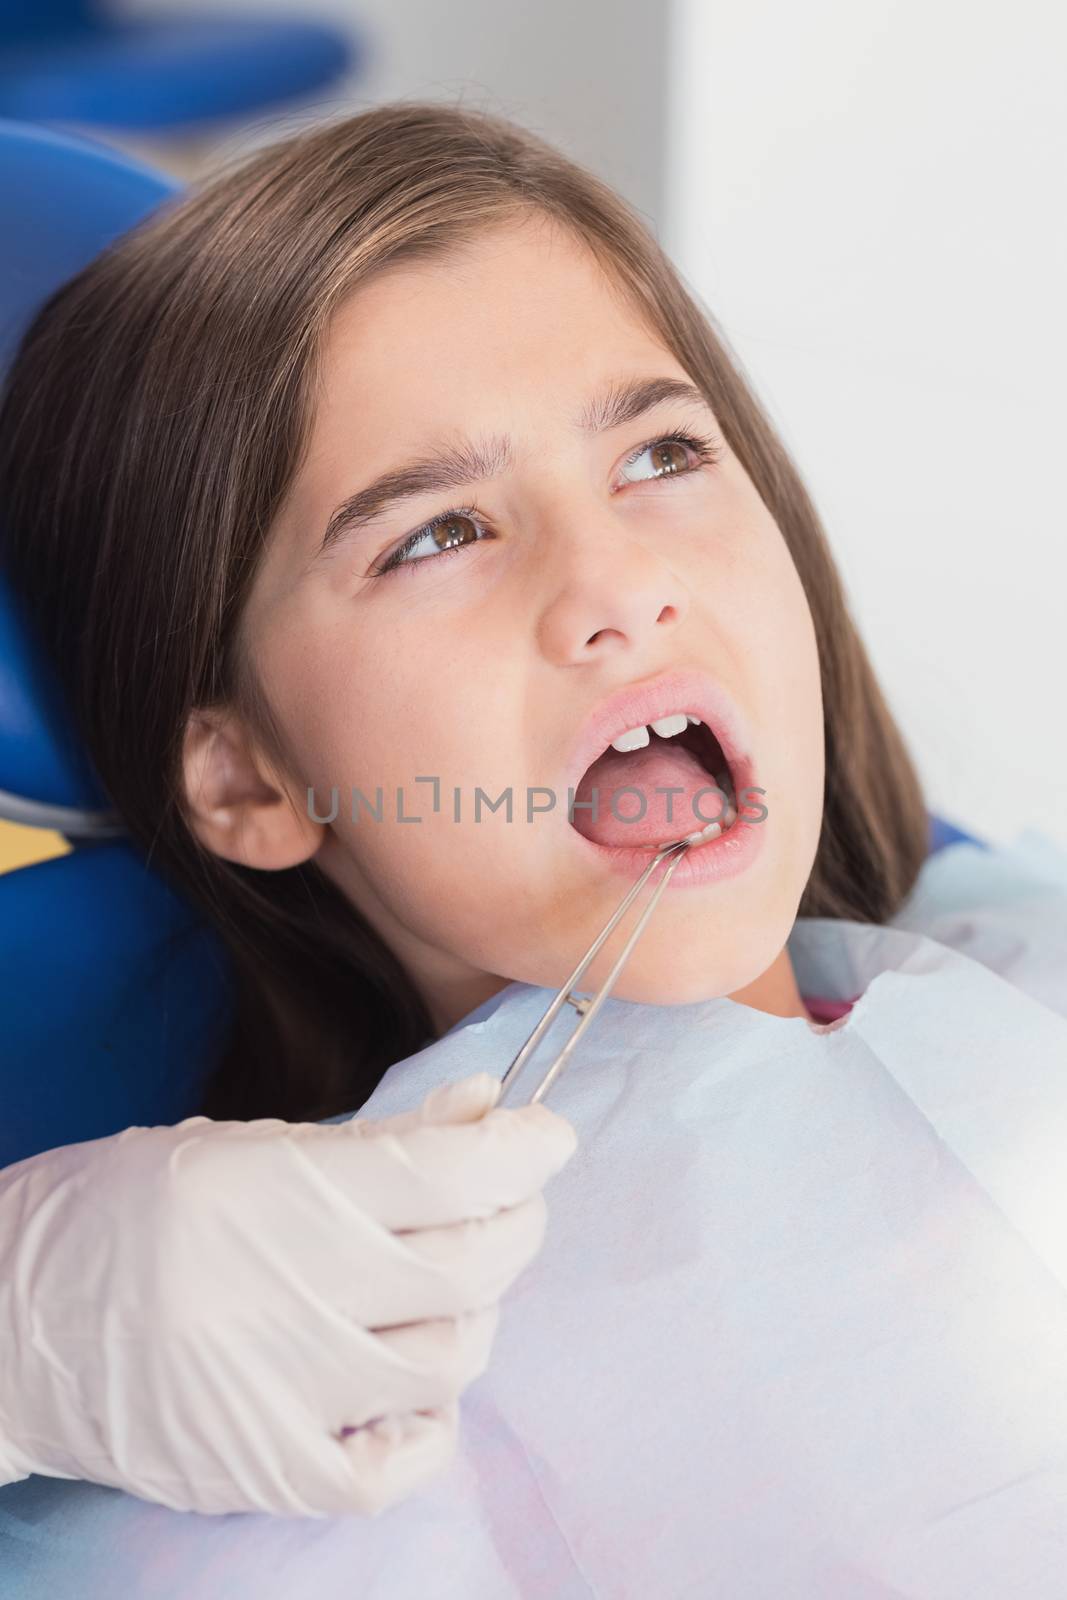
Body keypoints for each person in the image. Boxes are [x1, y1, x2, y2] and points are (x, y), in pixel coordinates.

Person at [2, 101, 1063, 1587]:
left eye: (660, 453)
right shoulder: (301, 1472)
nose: (616, 583)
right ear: (248, 776)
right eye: (436, 534)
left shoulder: (1027, 968)